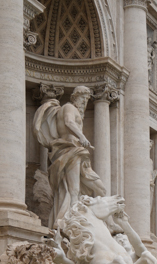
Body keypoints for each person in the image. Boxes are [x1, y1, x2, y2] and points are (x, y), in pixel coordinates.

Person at [33, 86, 109, 226]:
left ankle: (108, 223)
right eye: (84, 98)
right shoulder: (69, 107)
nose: (85, 102)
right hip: (68, 150)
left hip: (77, 152)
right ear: (76, 97)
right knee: (74, 190)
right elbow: (69, 122)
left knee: (100, 188)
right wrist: (82, 137)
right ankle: (73, 224)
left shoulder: (75, 110)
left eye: (87, 99)